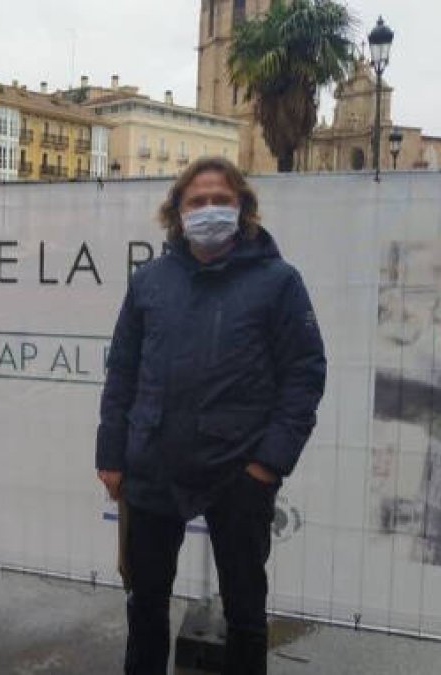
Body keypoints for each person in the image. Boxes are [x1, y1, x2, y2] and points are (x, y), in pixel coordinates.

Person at [97, 157, 326, 675]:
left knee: (245, 613)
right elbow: (123, 372)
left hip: (238, 473)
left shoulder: (279, 282)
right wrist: (112, 454)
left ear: (242, 207)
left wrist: (267, 464)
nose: (209, 211)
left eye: (220, 199)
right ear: (176, 214)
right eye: (196, 202)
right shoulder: (150, 282)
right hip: (153, 468)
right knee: (146, 606)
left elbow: (305, 374)